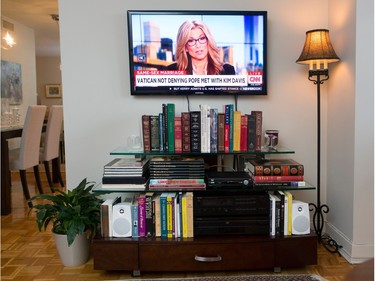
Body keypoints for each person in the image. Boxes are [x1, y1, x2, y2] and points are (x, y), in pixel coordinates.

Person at [167, 20, 235, 75]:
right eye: (191, 41)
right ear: (185, 47)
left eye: (202, 38)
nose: (198, 45)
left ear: (208, 41)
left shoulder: (227, 70)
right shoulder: (171, 71)